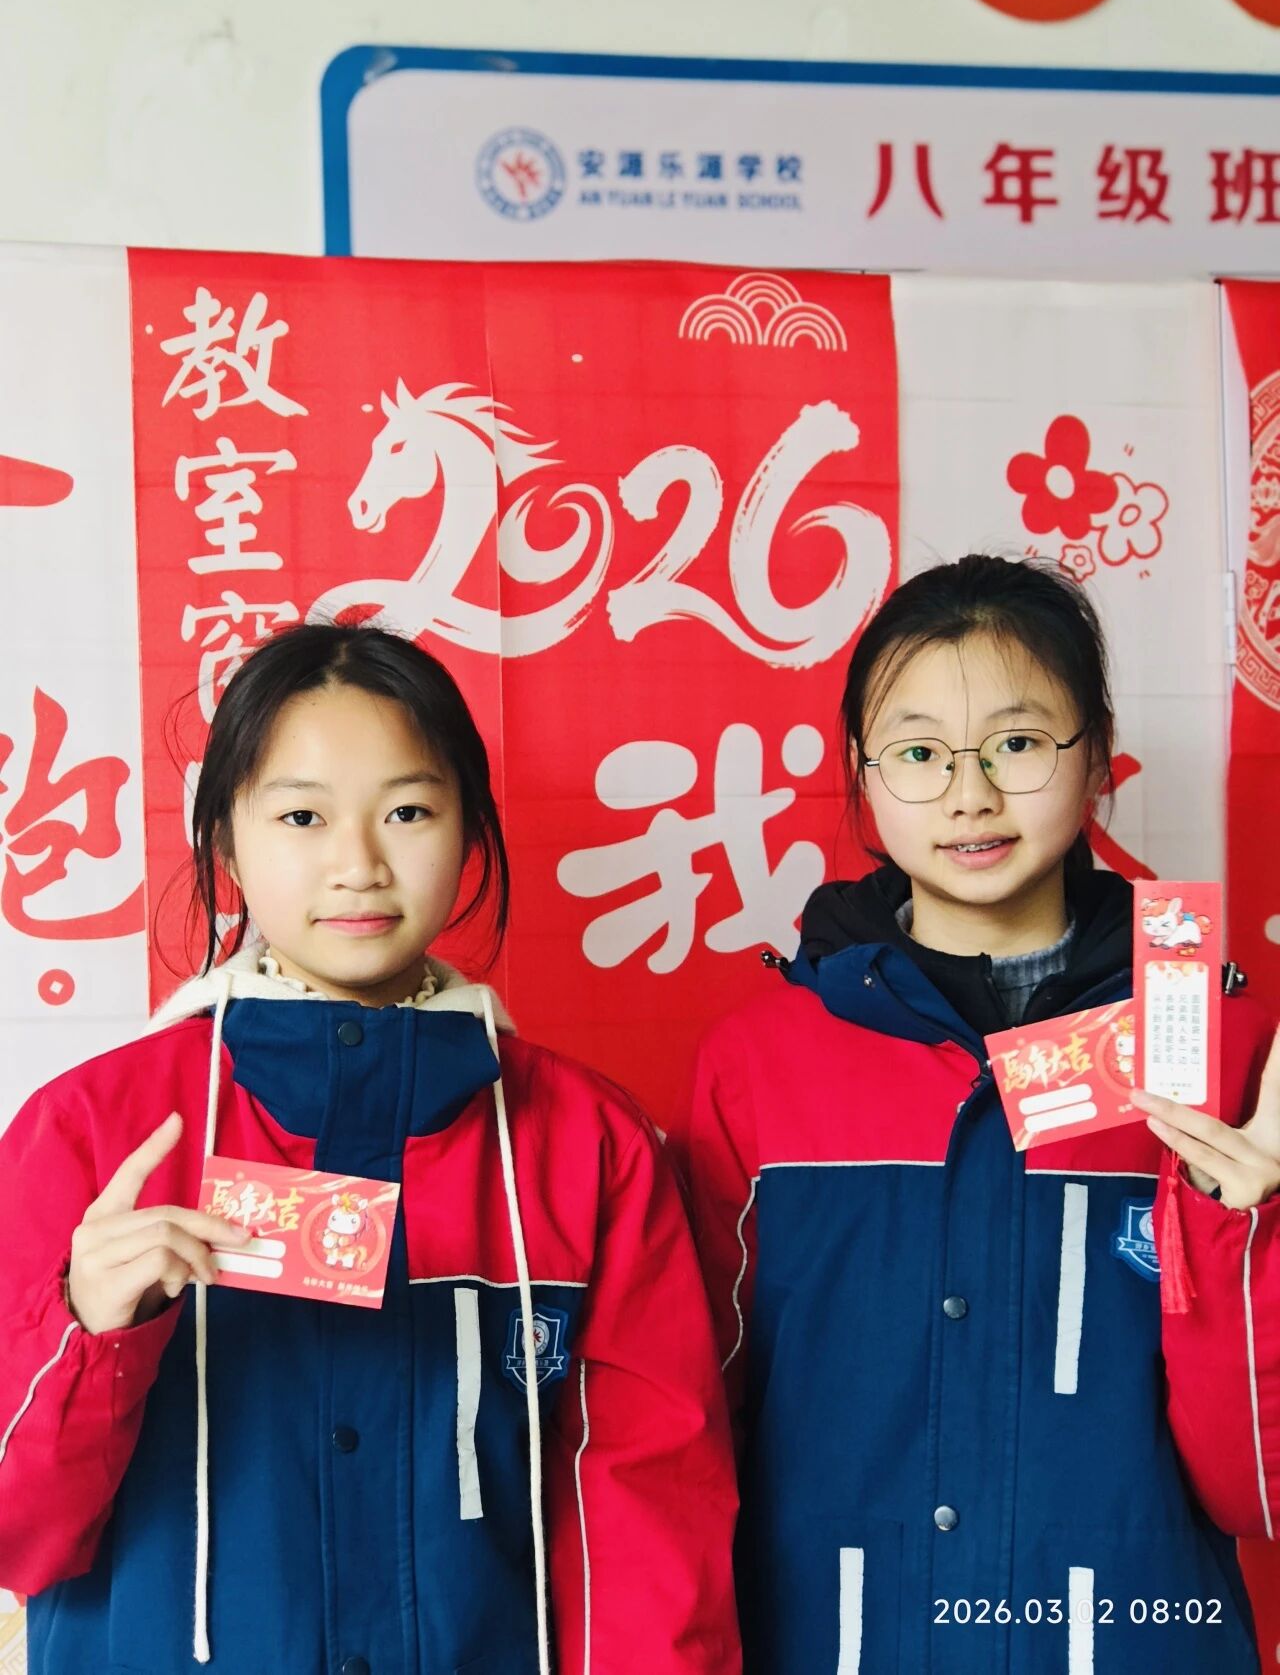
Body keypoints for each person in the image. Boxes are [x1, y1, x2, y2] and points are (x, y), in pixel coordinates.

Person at [0, 623, 740, 1675]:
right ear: (226, 841)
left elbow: (647, 1520)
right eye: (302, 815)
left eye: (407, 811)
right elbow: (17, 1535)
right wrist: (89, 1330)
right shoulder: (92, 1128)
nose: (358, 864)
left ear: (469, 831)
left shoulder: (588, 1142)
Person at [675, 554, 1280, 1674]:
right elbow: (685, 1431)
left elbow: (1253, 1487)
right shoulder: (756, 1063)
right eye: (917, 754)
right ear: (861, 775)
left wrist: (1244, 1229)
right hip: (834, 1638)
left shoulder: (1228, 1053)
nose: (969, 795)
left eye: (1017, 743)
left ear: (1096, 751)